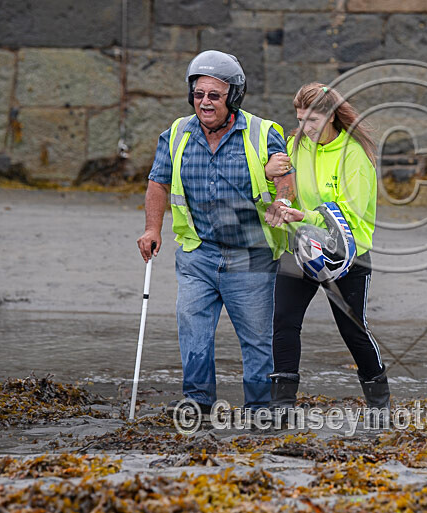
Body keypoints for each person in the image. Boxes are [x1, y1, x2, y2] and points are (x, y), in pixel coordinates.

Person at [136, 50, 296, 417]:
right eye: (198, 94)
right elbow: (158, 182)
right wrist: (151, 228)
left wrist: (282, 203)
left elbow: (285, 179)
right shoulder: (176, 134)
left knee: (257, 341)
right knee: (194, 334)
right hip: (198, 254)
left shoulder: (264, 132)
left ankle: (260, 409)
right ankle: (198, 402)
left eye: (214, 95)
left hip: (251, 255)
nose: (204, 102)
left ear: (233, 96)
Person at [266, 83, 389, 419]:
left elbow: (351, 213)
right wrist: (280, 198)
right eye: (301, 120)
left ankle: (380, 405)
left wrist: (303, 215)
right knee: (284, 321)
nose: (306, 128)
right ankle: (281, 407)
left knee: (353, 330)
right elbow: (285, 188)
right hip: (303, 247)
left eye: (313, 120)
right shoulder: (295, 146)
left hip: (348, 255)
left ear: (332, 116)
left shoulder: (354, 155)